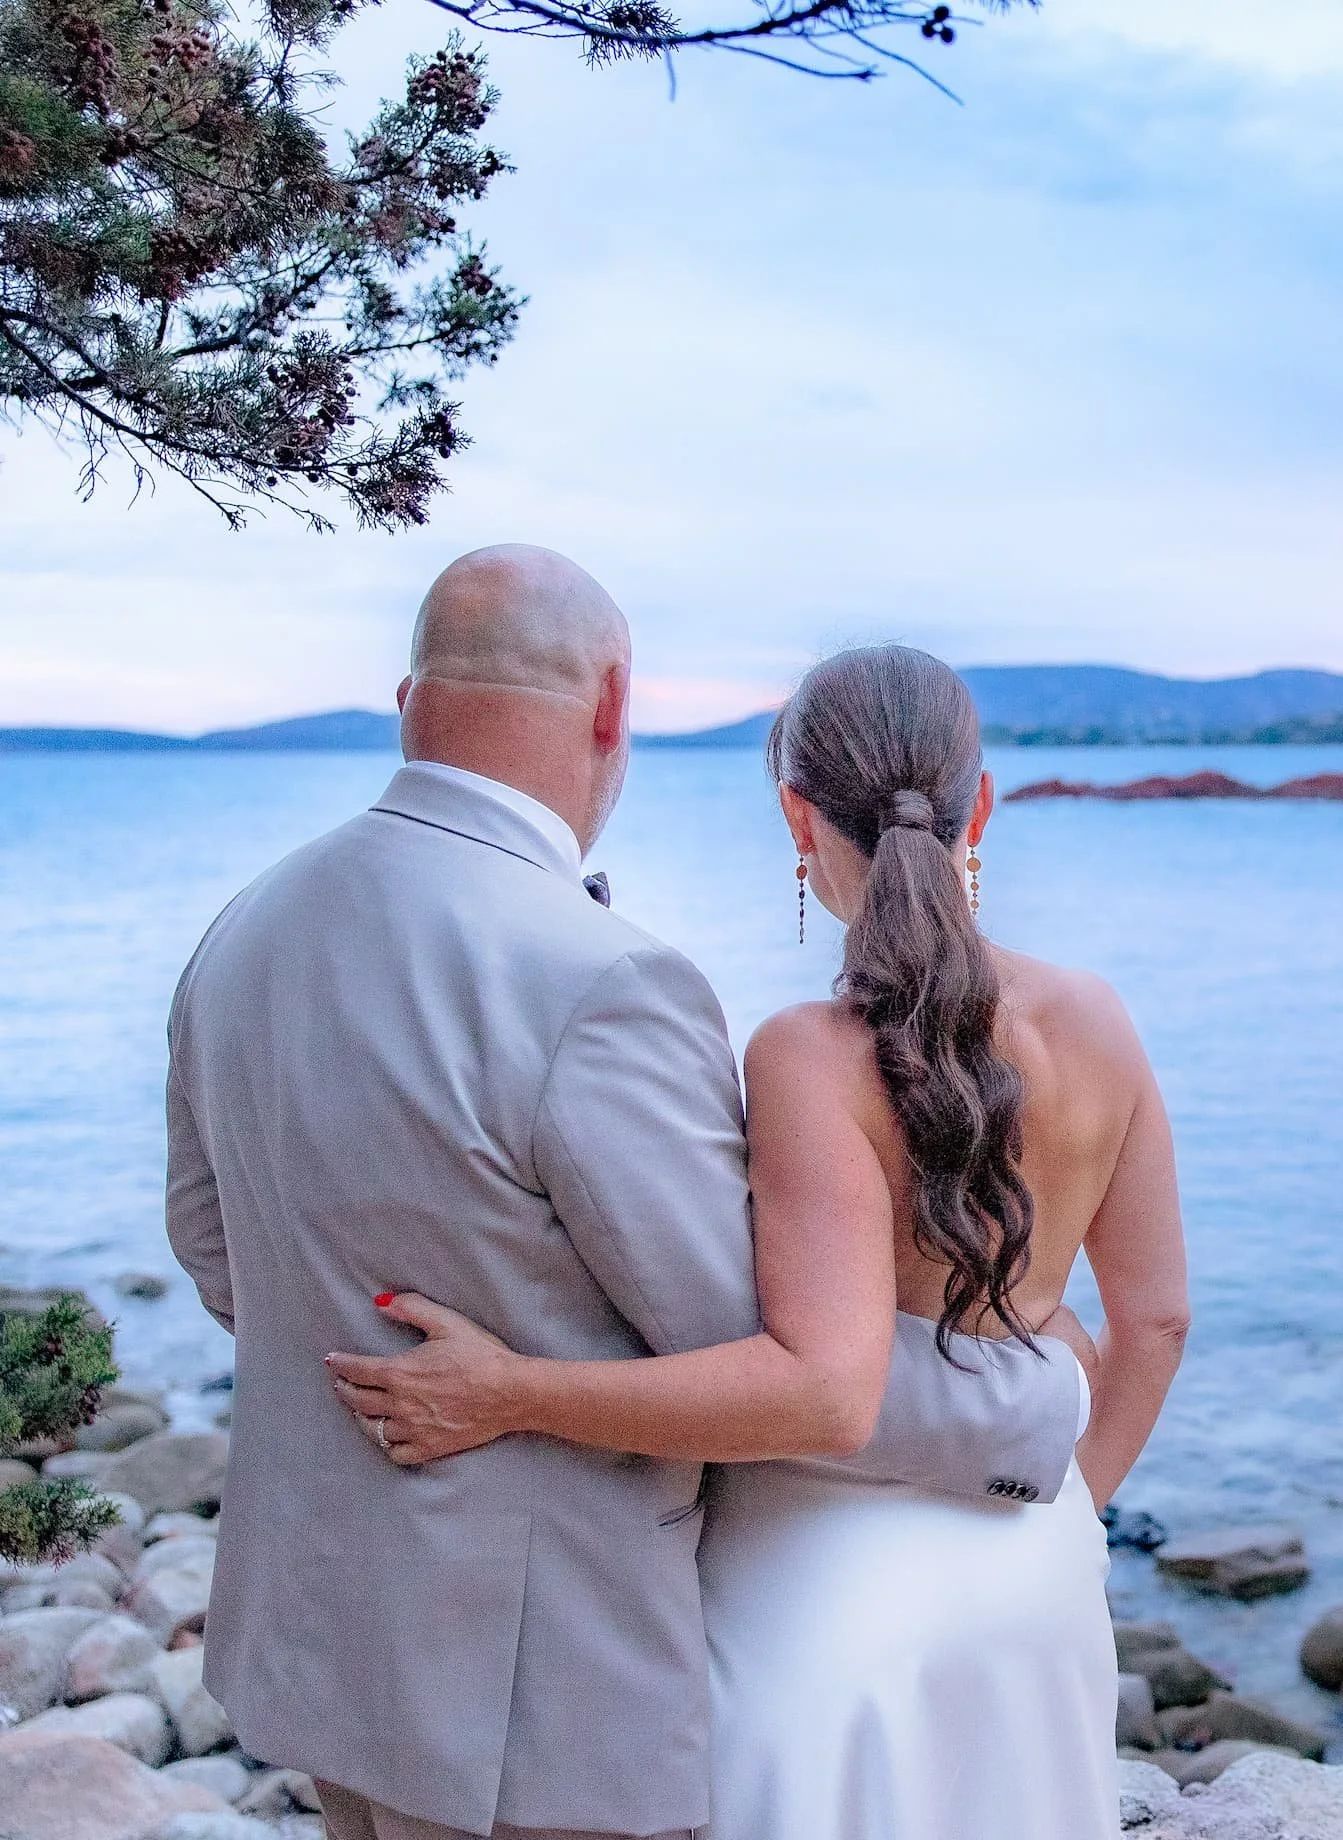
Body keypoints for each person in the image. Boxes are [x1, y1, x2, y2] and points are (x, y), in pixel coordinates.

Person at [165, 554, 1090, 1840]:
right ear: (613, 705)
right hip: (532, 1695)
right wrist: (1041, 1394)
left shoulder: (243, 926)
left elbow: (217, 1254)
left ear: (405, 698)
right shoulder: (601, 981)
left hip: (323, 1651)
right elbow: (768, 1358)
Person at [328, 644, 1192, 1840]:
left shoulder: (803, 1055)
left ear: (796, 812)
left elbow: (811, 1383)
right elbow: (1154, 1321)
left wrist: (511, 1392)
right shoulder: (1097, 1017)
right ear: (978, 805)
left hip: (819, 1581)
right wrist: (1073, 1512)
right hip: (1035, 1570)